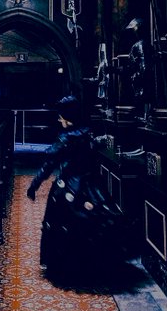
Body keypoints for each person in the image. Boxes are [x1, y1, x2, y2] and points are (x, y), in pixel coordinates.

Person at [26, 95, 123, 287]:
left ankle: (68, 268)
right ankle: (92, 266)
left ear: (67, 117)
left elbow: (49, 165)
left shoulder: (65, 138)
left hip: (69, 187)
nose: (58, 120)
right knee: (89, 224)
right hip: (91, 185)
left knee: (65, 225)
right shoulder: (87, 133)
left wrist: (34, 185)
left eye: (61, 116)